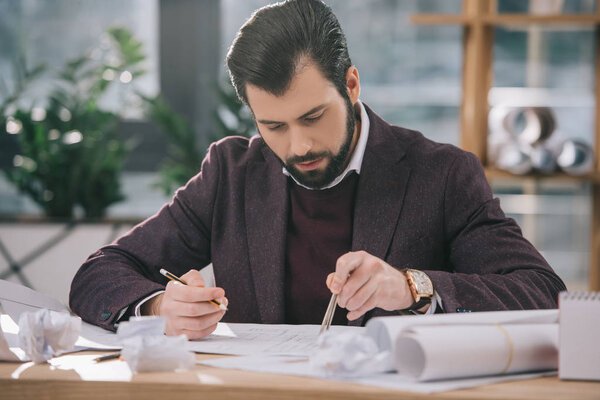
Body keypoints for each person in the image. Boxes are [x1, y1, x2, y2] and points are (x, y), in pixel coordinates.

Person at [69, 0, 566, 339]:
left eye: (313, 117)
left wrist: (414, 288)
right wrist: (159, 308)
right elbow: (98, 273)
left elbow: (543, 294)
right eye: (274, 126)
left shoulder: (441, 175)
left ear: (350, 85)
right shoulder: (231, 174)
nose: (298, 144)